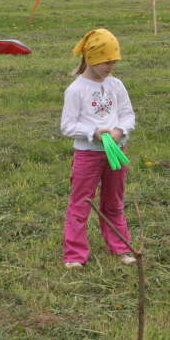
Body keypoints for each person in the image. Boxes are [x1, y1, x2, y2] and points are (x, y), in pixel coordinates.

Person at [60, 29, 136, 268]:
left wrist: (119, 131)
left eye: (114, 60)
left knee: (114, 202)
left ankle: (121, 248)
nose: (111, 65)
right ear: (90, 58)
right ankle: (74, 255)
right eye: (106, 61)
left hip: (116, 154)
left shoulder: (116, 85)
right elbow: (67, 126)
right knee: (81, 203)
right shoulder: (76, 90)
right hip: (88, 156)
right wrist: (92, 133)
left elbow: (127, 115)